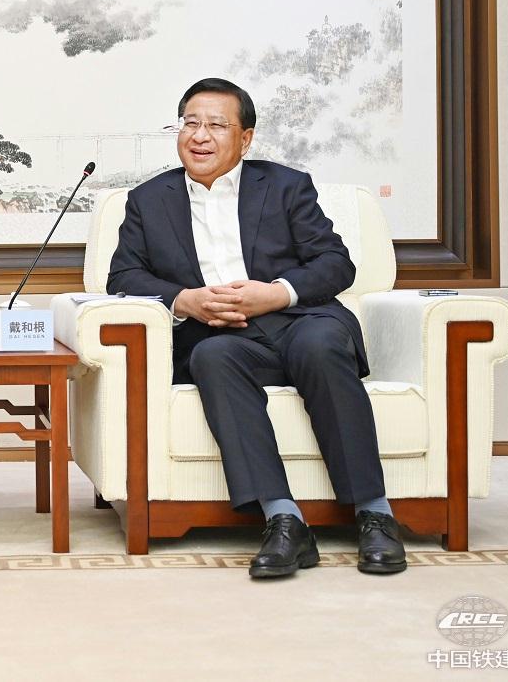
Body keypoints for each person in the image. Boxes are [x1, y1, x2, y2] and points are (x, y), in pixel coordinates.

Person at [107, 77, 406, 578]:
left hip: (300, 321)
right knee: (210, 357)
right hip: (224, 336)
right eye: (190, 123)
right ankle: (284, 520)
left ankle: (374, 513)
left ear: (245, 138)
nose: (199, 135)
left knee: (320, 345)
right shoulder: (148, 199)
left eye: (216, 125)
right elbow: (123, 276)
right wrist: (186, 301)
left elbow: (336, 263)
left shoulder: (286, 185)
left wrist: (277, 292)